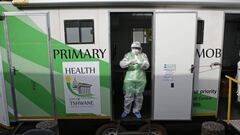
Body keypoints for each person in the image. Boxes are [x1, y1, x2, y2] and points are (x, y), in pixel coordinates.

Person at [119, 41, 150, 119]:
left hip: (140, 79)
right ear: (131, 48)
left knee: (139, 96)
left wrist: (141, 63)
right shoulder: (128, 55)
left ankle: (136, 111)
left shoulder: (143, 55)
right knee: (128, 96)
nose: (135, 49)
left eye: (137, 48)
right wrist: (129, 62)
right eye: (133, 48)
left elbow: (147, 66)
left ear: (140, 48)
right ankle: (126, 110)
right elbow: (122, 64)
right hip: (130, 79)